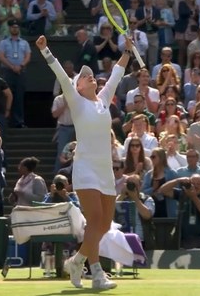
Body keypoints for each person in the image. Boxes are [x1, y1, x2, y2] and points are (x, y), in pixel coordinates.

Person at [36, 34, 131, 290]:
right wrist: (46, 52)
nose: (90, 77)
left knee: (105, 224)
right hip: (85, 169)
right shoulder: (76, 101)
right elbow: (61, 76)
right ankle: (97, 273)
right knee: (95, 218)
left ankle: (77, 260)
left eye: (91, 75)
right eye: (85, 76)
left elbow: (117, 74)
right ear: (78, 87)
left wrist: (128, 51)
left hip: (105, 171)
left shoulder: (103, 99)